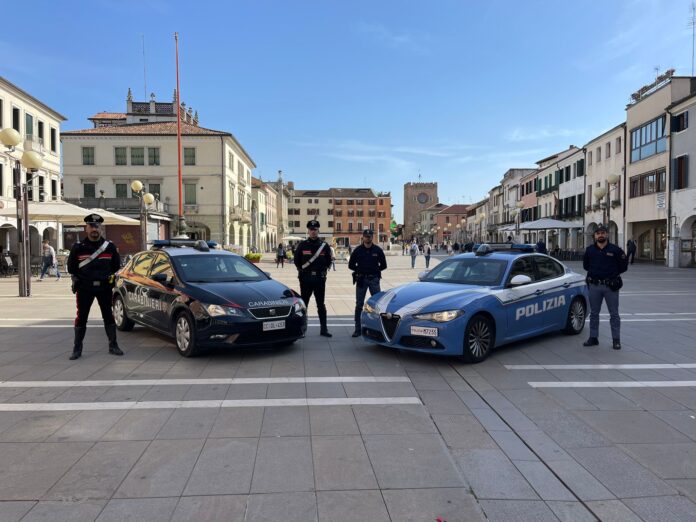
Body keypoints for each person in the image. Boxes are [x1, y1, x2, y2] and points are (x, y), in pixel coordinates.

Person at [67, 213, 122, 360]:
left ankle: (113, 345)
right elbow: (71, 268)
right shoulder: (78, 248)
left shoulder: (110, 247)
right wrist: (76, 280)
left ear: (101, 229)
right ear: (86, 228)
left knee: (108, 316)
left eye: (97, 226)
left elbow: (116, 266)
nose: (94, 229)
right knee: (81, 317)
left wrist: (111, 278)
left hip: (104, 288)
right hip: (85, 288)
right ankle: (77, 348)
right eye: (91, 226)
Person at [583, 224, 628, 350]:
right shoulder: (590, 250)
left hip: (610, 286)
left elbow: (623, 266)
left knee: (614, 314)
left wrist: (612, 275)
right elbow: (586, 266)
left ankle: (616, 340)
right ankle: (593, 337)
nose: (600, 235)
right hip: (594, 286)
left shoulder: (615, 250)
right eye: (598, 233)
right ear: (595, 236)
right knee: (594, 313)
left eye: (603, 233)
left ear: (607, 235)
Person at [294, 220, 333, 337]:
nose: (313, 231)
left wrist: (322, 271)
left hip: (320, 280)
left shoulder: (324, 246)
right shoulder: (302, 245)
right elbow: (296, 261)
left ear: (318, 231)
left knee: (321, 304)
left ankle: (324, 329)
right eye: (311, 229)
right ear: (308, 231)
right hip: (306, 279)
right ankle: (301, 330)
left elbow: (328, 261)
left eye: (315, 229)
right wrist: (303, 272)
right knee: (304, 304)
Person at [348, 229, 387, 337]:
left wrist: (375, 270)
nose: (368, 238)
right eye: (366, 236)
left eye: (369, 236)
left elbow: (384, 265)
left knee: (377, 305)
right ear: (363, 237)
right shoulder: (358, 250)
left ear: (372, 237)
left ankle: (378, 329)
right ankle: (357, 329)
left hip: (374, 280)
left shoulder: (378, 250)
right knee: (359, 305)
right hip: (361, 280)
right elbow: (351, 265)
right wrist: (359, 270)